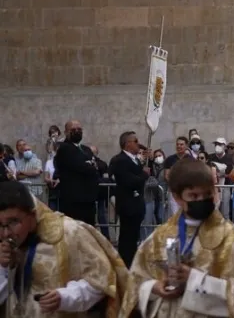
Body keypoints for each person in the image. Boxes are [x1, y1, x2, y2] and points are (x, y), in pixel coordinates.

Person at [119, 158, 234, 317]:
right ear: (177, 197)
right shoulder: (159, 238)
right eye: (193, 196)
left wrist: (194, 280)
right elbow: (135, 282)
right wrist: (154, 287)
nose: (201, 200)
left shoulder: (229, 237)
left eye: (207, 194)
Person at [0, 180, 130, 316]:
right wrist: (2, 268)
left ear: (32, 215)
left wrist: (65, 297)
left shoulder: (69, 232)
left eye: (13, 222)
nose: (5, 233)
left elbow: (101, 281)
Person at [110, 131, 151, 268]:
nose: (138, 144)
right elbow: (130, 181)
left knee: (133, 237)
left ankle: (132, 263)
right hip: (128, 205)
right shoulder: (120, 160)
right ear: (127, 144)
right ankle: (125, 265)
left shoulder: (134, 159)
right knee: (127, 238)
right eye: (135, 141)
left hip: (136, 205)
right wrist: (144, 175)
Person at [53, 120, 100, 226]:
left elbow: (99, 165)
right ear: (66, 132)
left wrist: (90, 166)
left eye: (79, 129)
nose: (77, 131)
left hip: (89, 200)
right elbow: (80, 166)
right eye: (73, 129)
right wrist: (90, 166)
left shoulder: (86, 149)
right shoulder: (64, 149)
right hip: (73, 200)